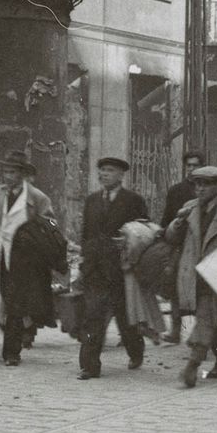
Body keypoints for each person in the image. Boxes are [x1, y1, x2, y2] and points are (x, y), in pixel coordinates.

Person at [165, 166, 217, 388]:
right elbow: (171, 237)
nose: (200, 189)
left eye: (206, 184)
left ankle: (191, 366)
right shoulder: (190, 209)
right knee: (214, 322)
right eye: (197, 184)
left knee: (205, 318)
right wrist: (176, 223)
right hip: (194, 272)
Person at [0, 150, 55, 365]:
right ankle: (21, 332)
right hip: (1, 252)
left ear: (21, 174)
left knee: (15, 302)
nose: (7, 175)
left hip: (25, 257)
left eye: (12, 172)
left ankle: (11, 352)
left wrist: (38, 234)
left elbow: (52, 223)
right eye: (5, 171)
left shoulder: (36, 197)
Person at [77, 157, 148, 380]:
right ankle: (89, 366)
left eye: (109, 170)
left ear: (121, 175)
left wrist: (128, 242)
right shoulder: (92, 201)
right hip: (95, 269)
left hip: (121, 269)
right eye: (102, 170)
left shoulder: (133, 201)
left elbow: (144, 231)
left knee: (125, 318)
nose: (104, 174)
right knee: (93, 316)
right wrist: (84, 260)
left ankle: (136, 352)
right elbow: (86, 233)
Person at [159, 151, 204, 344]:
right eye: (189, 165)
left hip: (202, 247)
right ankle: (176, 330)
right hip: (181, 245)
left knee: (202, 290)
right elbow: (167, 218)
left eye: (196, 165)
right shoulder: (176, 191)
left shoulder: (210, 189)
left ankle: (199, 331)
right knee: (176, 288)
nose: (192, 169)